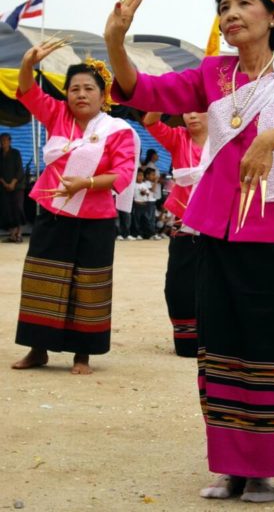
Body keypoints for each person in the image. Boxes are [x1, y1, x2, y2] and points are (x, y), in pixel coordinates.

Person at [105, 0, 274, 502]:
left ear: (273, 11)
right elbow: (142, 89)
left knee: (273, 351)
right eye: (223, 7)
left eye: (242, 3)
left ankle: (265, 467)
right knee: (222, 350)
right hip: (218, 230)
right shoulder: (213, 74)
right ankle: (231, 464)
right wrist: (115, 40)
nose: (231, 14)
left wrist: (273, 138)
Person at [11, 42, 138, 375]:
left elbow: (123, 173)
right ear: (66, 94)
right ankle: (37, 349)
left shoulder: (118, 131)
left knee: (89, 285)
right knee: (43, 279)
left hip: (96, 220)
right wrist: (28, 63)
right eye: (74, 88)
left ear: (103, 94)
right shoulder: (57, 115)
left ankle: (83, 355)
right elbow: (27, 91)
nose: (81, 94)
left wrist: (86, 183)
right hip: (53, 214)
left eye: (88, 88)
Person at [142, 110, 208, 357]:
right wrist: (165, 97)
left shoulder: (225, 138)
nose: (191, 115)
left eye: (198, 110)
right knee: (178, 283)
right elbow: (150, 122)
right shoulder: (179, 138)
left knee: (216, 282)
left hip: (217, 223)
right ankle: (187, 338)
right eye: (187, 110)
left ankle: (217, 336)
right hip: (185, 221)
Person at [0, 132, 25, 243]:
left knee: (17, 208)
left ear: (10, 142)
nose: (3, 143)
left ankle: (18, 233)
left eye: (5, 140)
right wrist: (5, 183)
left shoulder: (15, 153)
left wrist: (13, 183)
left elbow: (20, 170)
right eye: (1, 141)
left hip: (17, 185)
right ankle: (12, 234)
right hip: (3, 186)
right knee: (7, 209)